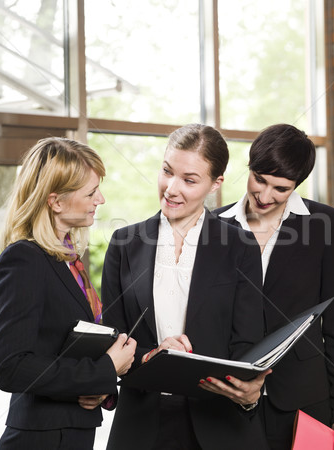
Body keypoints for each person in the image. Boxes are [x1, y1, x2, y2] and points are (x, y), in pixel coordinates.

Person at [101, 123, 270, 450]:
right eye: (167, 171)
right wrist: (153, 358)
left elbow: (247, 342)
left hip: (219, 425)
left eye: (189, 180)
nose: (171, 188)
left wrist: (249, 391)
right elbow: (114, 338)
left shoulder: (240, 246)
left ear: (215, 184)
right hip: (141, 425)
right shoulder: (124, 243)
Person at [214, 124, 334, 450]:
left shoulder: (325, 223)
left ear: (297, 185)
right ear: (249, 168)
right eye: (260, 180)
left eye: (280, 188)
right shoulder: (214, 225)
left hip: (304, 400)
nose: (265, 196)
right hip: (228, 397)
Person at [0, 137, 136, 449]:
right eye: (91, 192)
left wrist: (101, 382)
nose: (102, 200)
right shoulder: (24, 260)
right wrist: (105, 369)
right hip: (41, 438)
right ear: (55, 202)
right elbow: (11, 367)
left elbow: (60, 349)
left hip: (69, 433)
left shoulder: (68, 259)